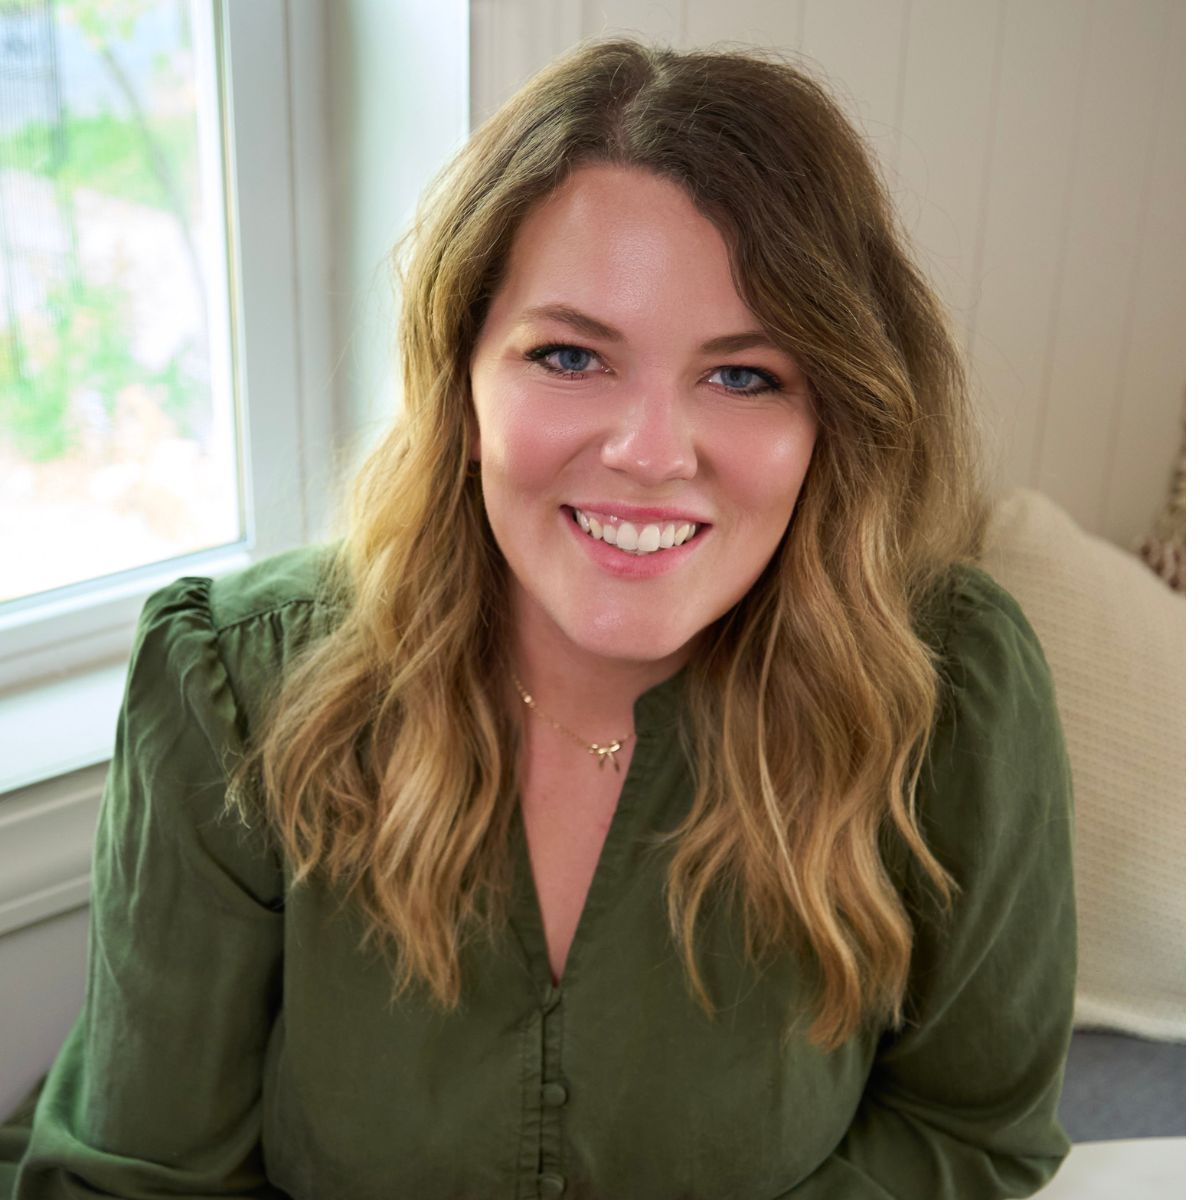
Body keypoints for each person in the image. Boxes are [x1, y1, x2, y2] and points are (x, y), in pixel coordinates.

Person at [1, 38, 1076, 1199]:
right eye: (569, 355)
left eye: (744, 375)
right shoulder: (234, 688)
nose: (651, 455)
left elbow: (972, 1134)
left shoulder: (955, 691)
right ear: (460, 376)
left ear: (835, 415)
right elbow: (134, 1182)